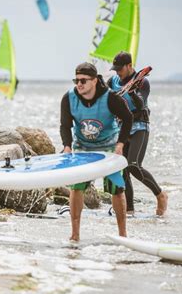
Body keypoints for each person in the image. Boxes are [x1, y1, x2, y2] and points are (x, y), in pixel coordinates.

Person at [60, 62, 133, 239]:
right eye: (76, 80)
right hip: (82, 147)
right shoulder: (69, 98)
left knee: (117, 189)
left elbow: (128, 118)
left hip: (108, 147)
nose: (79, 84)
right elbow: (65, 125)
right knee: (76, 188)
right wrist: (67, 146)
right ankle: (75, 234)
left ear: (94, 80)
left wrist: (121, 144)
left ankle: (122, 234)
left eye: (83, 80)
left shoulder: (110, 98)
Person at [109, 51, 168, 216]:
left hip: (140, 126)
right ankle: (129, 210)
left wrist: (132, 92)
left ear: (129, 66)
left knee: (133, 166)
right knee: (123, 169)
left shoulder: (143, 82)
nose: (117, 73)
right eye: (115, 69)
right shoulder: (113, 81)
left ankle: (160, 195)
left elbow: (141, 105)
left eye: (120, 69)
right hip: (122, 128)